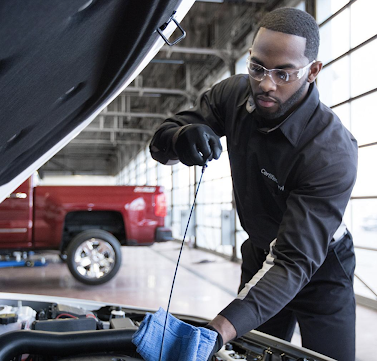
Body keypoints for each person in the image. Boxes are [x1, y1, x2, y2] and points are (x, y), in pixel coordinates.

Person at [148, 7, 358, 361]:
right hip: (261, 252)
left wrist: (216, 332)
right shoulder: (233, 94)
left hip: (320, 266)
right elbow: (160, 143)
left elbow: (293, 262)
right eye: (257, 67)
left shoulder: (330, 150)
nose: (266, 83)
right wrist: (180, 138)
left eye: (283, 73)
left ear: (313, 72)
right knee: (256, 353)